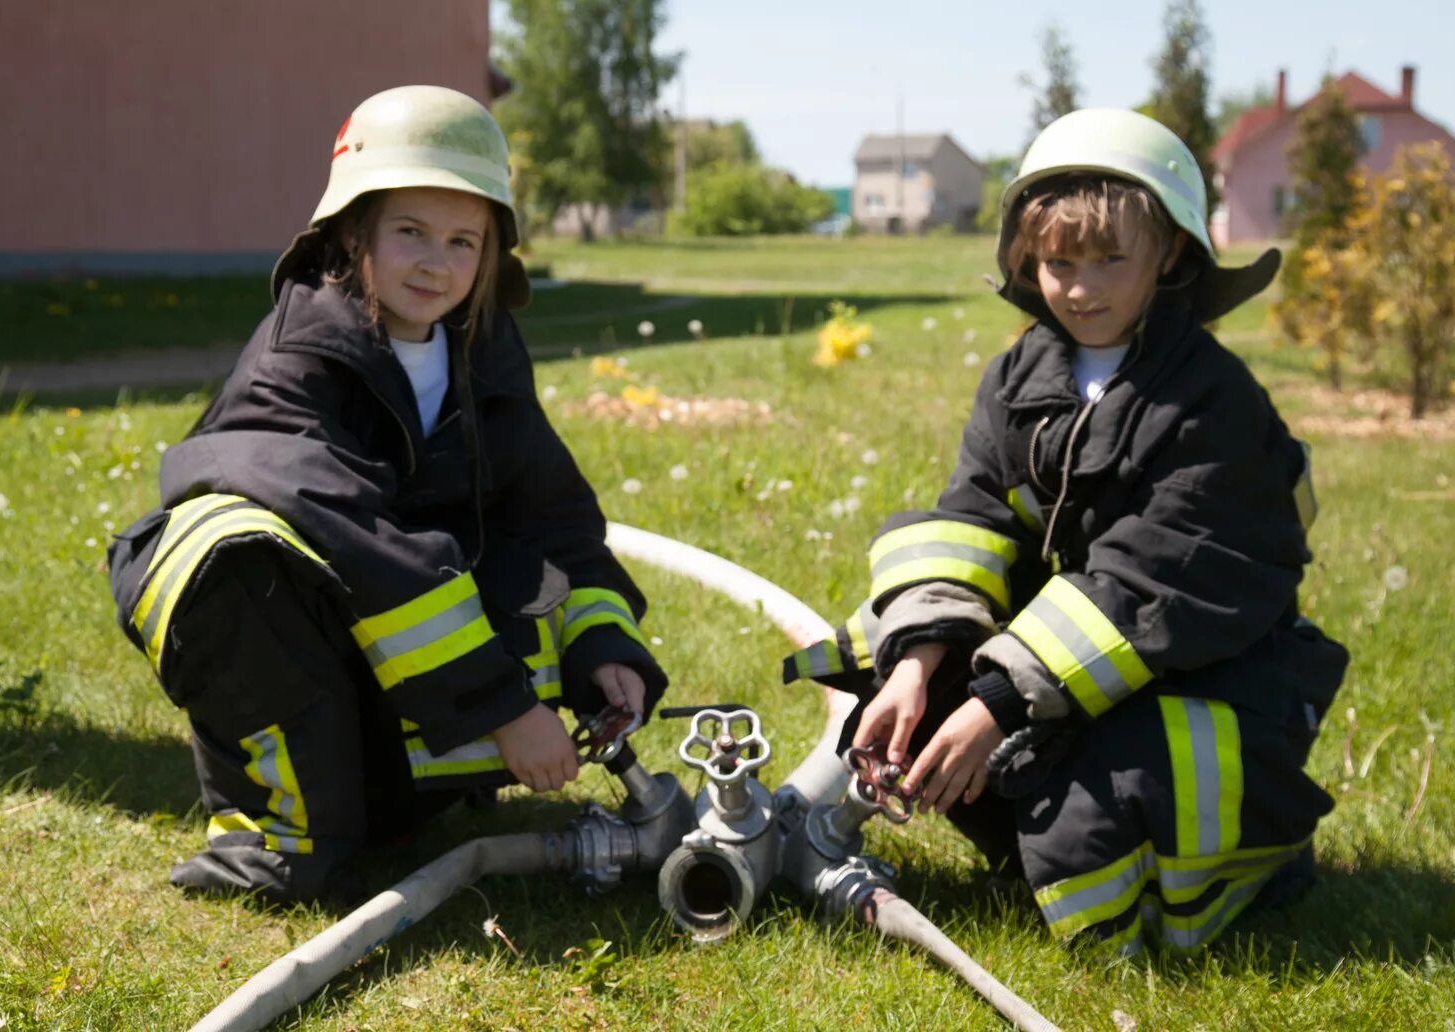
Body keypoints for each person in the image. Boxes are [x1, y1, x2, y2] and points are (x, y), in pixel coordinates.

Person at [784, 108, 1346, 955]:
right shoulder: (1019, 376)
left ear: (1172, 255)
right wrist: (916, 668)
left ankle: (1251, 855)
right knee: (889, 691)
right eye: (1058, 263)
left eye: (1112, 259)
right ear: (1026, 260)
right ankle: (1026, 814)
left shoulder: (1212, 404)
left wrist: (995, 704)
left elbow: (1150, 582)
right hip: (1064, 672)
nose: (1082, 289)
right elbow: (967, 521)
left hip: (1193, 679)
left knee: (1088, 847)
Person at [109, 85, 666, 905]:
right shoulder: (294, 362)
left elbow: (548, 512)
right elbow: (364, 547)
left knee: (525, 581)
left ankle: (400, 797)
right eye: (409, 232)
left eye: (462, 241)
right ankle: (278, 843)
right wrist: (506, 709)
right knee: (225, 554)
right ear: (351, 232)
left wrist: (602, 649)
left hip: (399, 673)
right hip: (311, 629)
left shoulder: (481, 348)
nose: (436, 263)